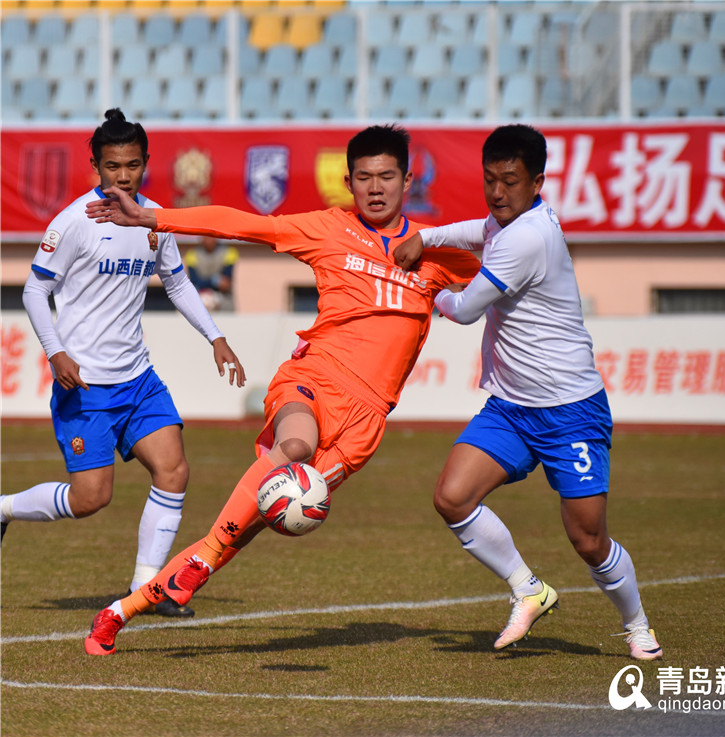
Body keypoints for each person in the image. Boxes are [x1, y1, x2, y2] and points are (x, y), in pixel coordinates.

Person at [81, 124, 480, 654]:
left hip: (364, 422)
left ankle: (122, 610)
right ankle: (201, 559)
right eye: (364, 177)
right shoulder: (328, 229)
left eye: (387, 176)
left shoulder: (435, 251)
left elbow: (503, 275)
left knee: (258, 518)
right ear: (348, 182)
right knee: (293, 449)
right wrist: (153, 218)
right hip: (313, 380)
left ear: (408, 181)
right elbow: (242, 224)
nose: (375, 187)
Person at [392, 124, 662, 661]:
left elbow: (465, 311)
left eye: (510, 181)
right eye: (489, 179)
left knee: (588, 540)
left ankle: (637, 626)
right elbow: (480, 229)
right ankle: (528, 588)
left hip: (571, 411)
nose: (497, 192)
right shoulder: (511, 220)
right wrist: (430, 237)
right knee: (452, 497)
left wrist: (430, 285)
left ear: (537, 182)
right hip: (512, 408)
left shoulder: (527, 237)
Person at [0, 109, 246, 619]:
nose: (123, 176)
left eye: (132, 165)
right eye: (112, 166)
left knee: (173, 470)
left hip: (138, 380)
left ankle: (146, 590)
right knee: (91, 499)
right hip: (86, 385)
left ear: (146, 163)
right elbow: (34, 291)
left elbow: (177, 283)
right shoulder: (74, 222)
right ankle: (4, 508)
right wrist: (56, 352)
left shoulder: (154, 220)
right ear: (96, 166)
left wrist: (216, 337)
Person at [184, 235, 239, 312]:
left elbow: (225, 284)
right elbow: (195, 282)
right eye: (206, 236)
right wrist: (215, 280)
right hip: (200, 299)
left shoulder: (229, 252)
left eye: (211, 236)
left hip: (224, 302)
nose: (209, 240)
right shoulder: (191, 254)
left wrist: (211, 282)